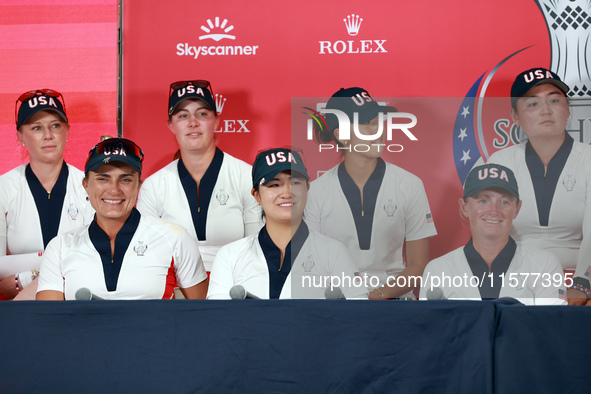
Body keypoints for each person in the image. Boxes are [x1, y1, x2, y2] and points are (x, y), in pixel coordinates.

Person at [305, 87, 437, 299]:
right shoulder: (315, 193)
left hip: (394, 303)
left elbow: (417, 267)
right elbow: (311, 266)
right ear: (341, 135)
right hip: (336, 304)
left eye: (378, 121)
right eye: (366, 124)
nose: (378, 130)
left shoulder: (410, 185)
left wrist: (373, 298)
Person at [36, 138, 208, 300]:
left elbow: (207, 313)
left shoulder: (175, 238)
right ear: (86, 185)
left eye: (125, 179)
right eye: (103, 179)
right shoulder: (60, 247)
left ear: (139, 186)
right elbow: (48, 319)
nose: (114, 190)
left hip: (157, 332)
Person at [486, 67, 591, 304]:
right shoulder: (499, 163)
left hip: (579, 277)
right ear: (515, 116)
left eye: (554, 100)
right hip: (516, 277)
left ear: (567, 109)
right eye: (532, 104)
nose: (546, 110)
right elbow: (487, 233)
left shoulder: (588, 159)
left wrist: (583, 285)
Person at [207, 147, 368, 299]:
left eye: (295, 182)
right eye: (274, 185)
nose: (286, 193)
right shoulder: (230, 256)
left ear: (307, 187)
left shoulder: (334, 252)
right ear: (256, 195)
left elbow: (359, 312)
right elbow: (219, 318)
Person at [137, 80, 261, 273]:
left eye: (202, 114)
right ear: (171, 125)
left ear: (217, 120)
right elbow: (148, 254)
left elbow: (257, 250)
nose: (192, 122)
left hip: (235, 288)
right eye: (183, 115)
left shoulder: (246, 177)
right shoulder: (153, 186)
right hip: (174, 291)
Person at [419, 164, 566, 305]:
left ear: (516, 209)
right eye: (483, 201)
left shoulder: (544, 264)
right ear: (464, 207)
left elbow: (551, 325)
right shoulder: (438, 270)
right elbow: (432, 328)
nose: (494, 211)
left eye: (504, 202)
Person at [0, 89, 93, 300]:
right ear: (20, 136)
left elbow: (95, 260)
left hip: (76, 301)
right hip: (18, 307)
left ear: (67, 132)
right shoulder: (4, 188)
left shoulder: (90, 186)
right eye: (36, 128)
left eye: (55, 126)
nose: (48, 135)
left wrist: (24, 279)